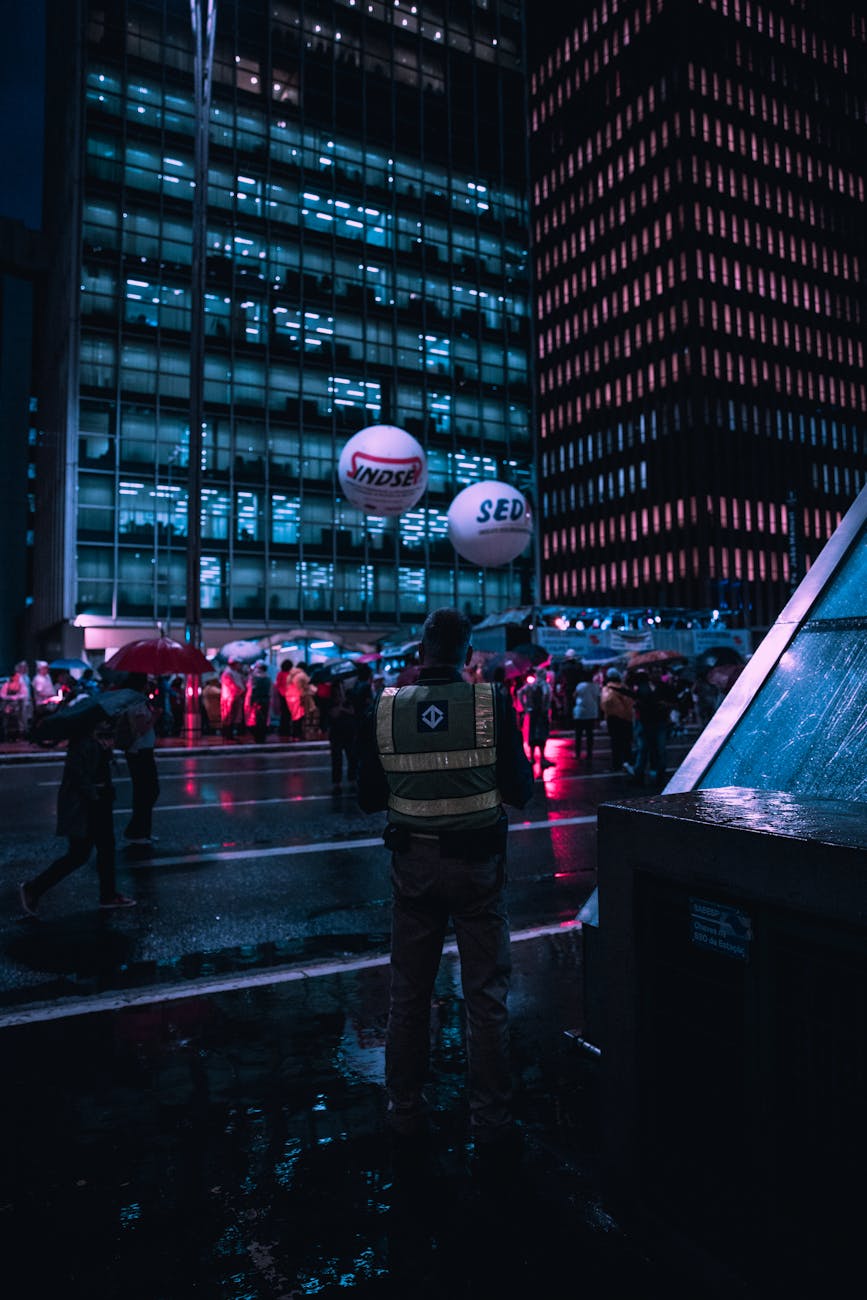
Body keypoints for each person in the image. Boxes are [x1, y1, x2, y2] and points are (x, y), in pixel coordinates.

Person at [357, 607, 533, 1165]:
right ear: (467, 655)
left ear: (420, 651)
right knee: (485, 998)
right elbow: (521, 790)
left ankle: (404, 1112)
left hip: (412, 867)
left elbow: (366, 796)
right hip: (478, 867)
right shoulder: (490, 704)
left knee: (408, 998)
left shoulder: (386, 709)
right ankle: (491, 1121)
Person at [18, 711, 136, 916]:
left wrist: (105, 752)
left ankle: (107, 895)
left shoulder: (90, 742)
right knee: (82, 853)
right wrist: (96, 793)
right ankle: (34, 888)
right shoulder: (83, 744)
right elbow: (80, 777)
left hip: (96, 802)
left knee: (99, 850)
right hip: (89, 806)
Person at [116, 673, 160, 846]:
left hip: (139, 750)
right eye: (147, 683)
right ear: (141, 686)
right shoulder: (137, 703)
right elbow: (142, 728)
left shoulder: (134, 701)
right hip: (140, 751)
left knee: (144, 791)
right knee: (148, 791)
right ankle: (136, 831)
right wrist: (155, 717)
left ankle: (141, 832)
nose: (149, 686)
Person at [328, 663, 373, 793]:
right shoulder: (331, 697)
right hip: (336, 730)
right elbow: (332, 713)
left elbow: (353, 711)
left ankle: (352, 779)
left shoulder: (350, 693)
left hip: (348, 728)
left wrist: (343, 708)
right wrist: (341, 708)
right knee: (336, 757)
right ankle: (336, 782)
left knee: (351, 755)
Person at [517, 672, 553, 776]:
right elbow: (546, 694)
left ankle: (532, 758)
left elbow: (520, 693)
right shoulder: (545, 685)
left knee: (532, 734)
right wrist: (545, 706)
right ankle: (542, 758)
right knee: (542, 734)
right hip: (542, 713)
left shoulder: (530, 685)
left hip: (531, 712)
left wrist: (525, 706)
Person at [600, 668, 634, 771]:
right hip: (626, 718)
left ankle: (617, 764)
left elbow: (604, 704)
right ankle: (628, 762)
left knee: (615, 743)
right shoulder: (624, 688)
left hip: (613, 719)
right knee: (626, 742)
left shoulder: (607, 689)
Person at [572, 668, 602, 766]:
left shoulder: (580, 685)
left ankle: (577, 753)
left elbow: (574, 695)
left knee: (578, 735)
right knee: (589, 735)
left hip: (580, 712)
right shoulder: (596, 686)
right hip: (591, 712)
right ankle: (589, 753)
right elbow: (598, 697)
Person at [245, 660, 272, 744]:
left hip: (256, 700)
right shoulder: (268, 677)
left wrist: (250, 702)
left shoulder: (253, 677)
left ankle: (258, 737)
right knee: (263, 718)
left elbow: (251, 689)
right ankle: (262, 736)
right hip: (266, 699)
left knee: (257, 718)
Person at [220, 658, 246, 742]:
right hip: (229, 698)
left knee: (233, 716)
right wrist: (240, 690)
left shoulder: (235, 673)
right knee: (229, 716)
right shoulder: (227, 673)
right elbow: (231, 685)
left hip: (235, 697)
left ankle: (230, 734)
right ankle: (228, 734)